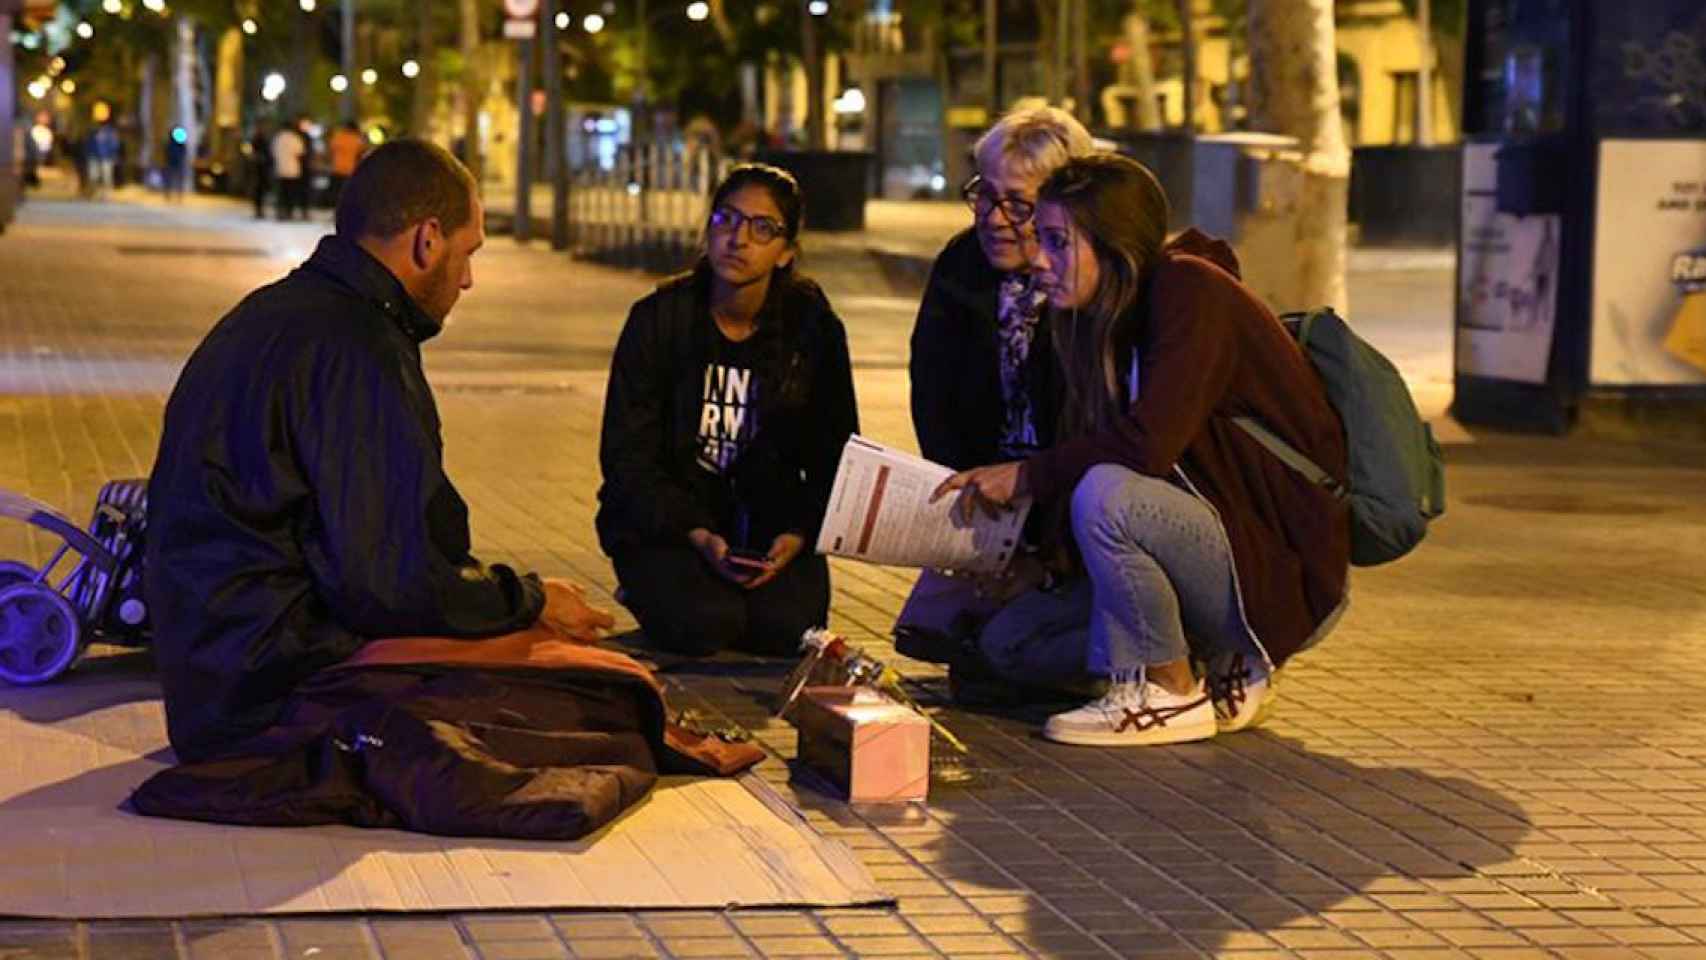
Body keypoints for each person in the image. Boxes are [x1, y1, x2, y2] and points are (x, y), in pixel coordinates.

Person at [146, 140, 613, 763]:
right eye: (467, 252)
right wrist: (525, 599)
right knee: (571, 689)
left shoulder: (274, 312)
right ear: (427, 241)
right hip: (268, 693)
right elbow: (390, 584)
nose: (469, 279)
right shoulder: (359, 347)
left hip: (213, 670)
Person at [932, 154, 1351, 746]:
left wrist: (1024, 476)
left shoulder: (1191, 293)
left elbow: (1147, 447)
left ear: (1113, 244)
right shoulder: (1091, 320)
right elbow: (1085, 447)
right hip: (1197, 546)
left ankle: (1169, 689)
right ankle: (1210, 662)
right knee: (1008, 644)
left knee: (1110, 491)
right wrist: (1043, 564)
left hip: (1276, 563)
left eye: (1057, 242)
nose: (1040, 261)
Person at [596, 163, 859, 657]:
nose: (738, 238)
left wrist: (798, 536)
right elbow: (627, 458)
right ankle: (646, 587)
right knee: (703, 625)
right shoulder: (660, 319)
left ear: (786, 254)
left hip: (769, 527)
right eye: (727, 219)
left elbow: (837, 453)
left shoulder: (813, 329)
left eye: (763, 229)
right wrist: (697, 534)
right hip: (671, 523)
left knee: (785, 631)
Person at [893, 105, 1093, 678]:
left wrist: (1044, 553)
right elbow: (933, 393)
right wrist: (971, 515)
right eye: (984, 193)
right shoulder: (962, 263)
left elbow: (1099, 432)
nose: (994, 218)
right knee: (931, 636)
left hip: (1069, 509)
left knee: (1004, 652)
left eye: (1019, 204)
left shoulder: (1089, 282)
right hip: (989, 502)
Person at [270, 117, 309, 220]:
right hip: (293, 169)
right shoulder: (295, 138)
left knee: (281, 193)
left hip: (280, 169)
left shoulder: (277, 138)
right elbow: (300, 153)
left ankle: (280, 212)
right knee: (291, 193)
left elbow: (273, 153)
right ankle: (289, 212)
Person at [327, 120, 366, 205]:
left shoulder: (337, 138)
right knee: (349, 194)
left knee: (336, 193)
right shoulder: (358, 139)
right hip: (351, 170)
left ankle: (335, 209)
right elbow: (361, 154)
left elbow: (331, 152)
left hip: (337, 169)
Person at [246, 120, 274, 218]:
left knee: (261, 190)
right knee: (259, 190)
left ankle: (259, 210)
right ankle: (258, 210)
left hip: (263, 168)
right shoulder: (258, 139)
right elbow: (256, 154)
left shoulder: (262, 138)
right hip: (260, 168)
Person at [88, 121, 120, 199]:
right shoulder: (93, 131)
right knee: (94, 176)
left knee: (106, 177)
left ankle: (107, 194)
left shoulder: (110, 132)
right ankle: (97, 193)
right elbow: (90, 144)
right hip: (95, 157)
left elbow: (114, 144)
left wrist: (113, 154)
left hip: (106, 157)